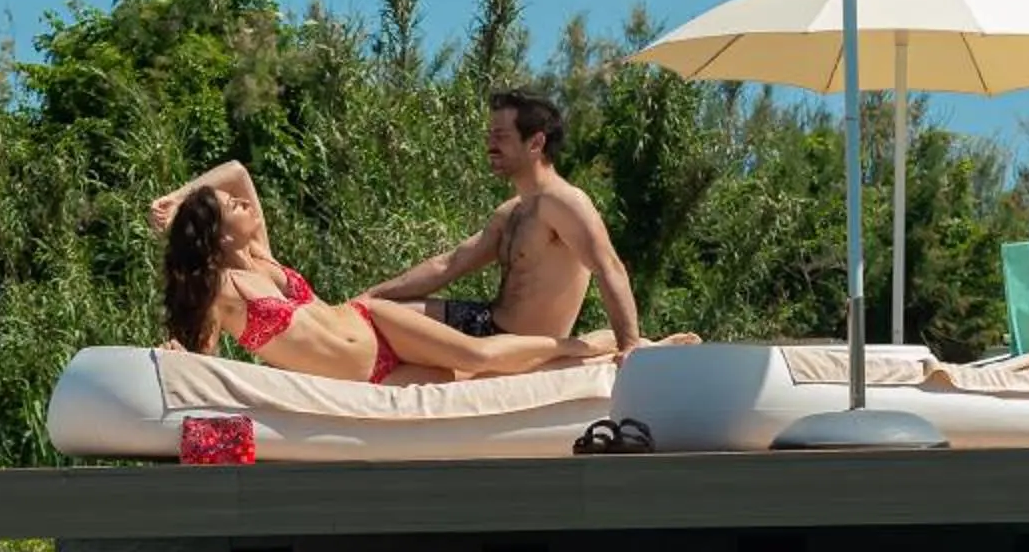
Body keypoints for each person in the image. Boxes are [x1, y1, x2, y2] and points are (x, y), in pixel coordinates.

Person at [151, 163, 608, 385]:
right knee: (481, 379)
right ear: (217, 237)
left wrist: (178, 196)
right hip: (369, 374)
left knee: (479, 356)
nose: (244, 201)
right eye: (232, 207)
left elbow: (237, 171)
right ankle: (603, 359)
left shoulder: (262, 257)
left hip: (373, 319)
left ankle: (599, 343)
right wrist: (180, 354)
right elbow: (202, 354)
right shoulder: (220, 290)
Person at [364, 90, 677, 352]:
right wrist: (369, 296)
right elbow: (448, 265)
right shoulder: (511, 211)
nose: (490, 145)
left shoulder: (564, 202)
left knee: (387, 320)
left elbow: (610, 268)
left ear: (536, 143)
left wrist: (631, 349)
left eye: (500, 136)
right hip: (487, 324)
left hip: (522, 346)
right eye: (489, 134)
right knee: (381, 313)